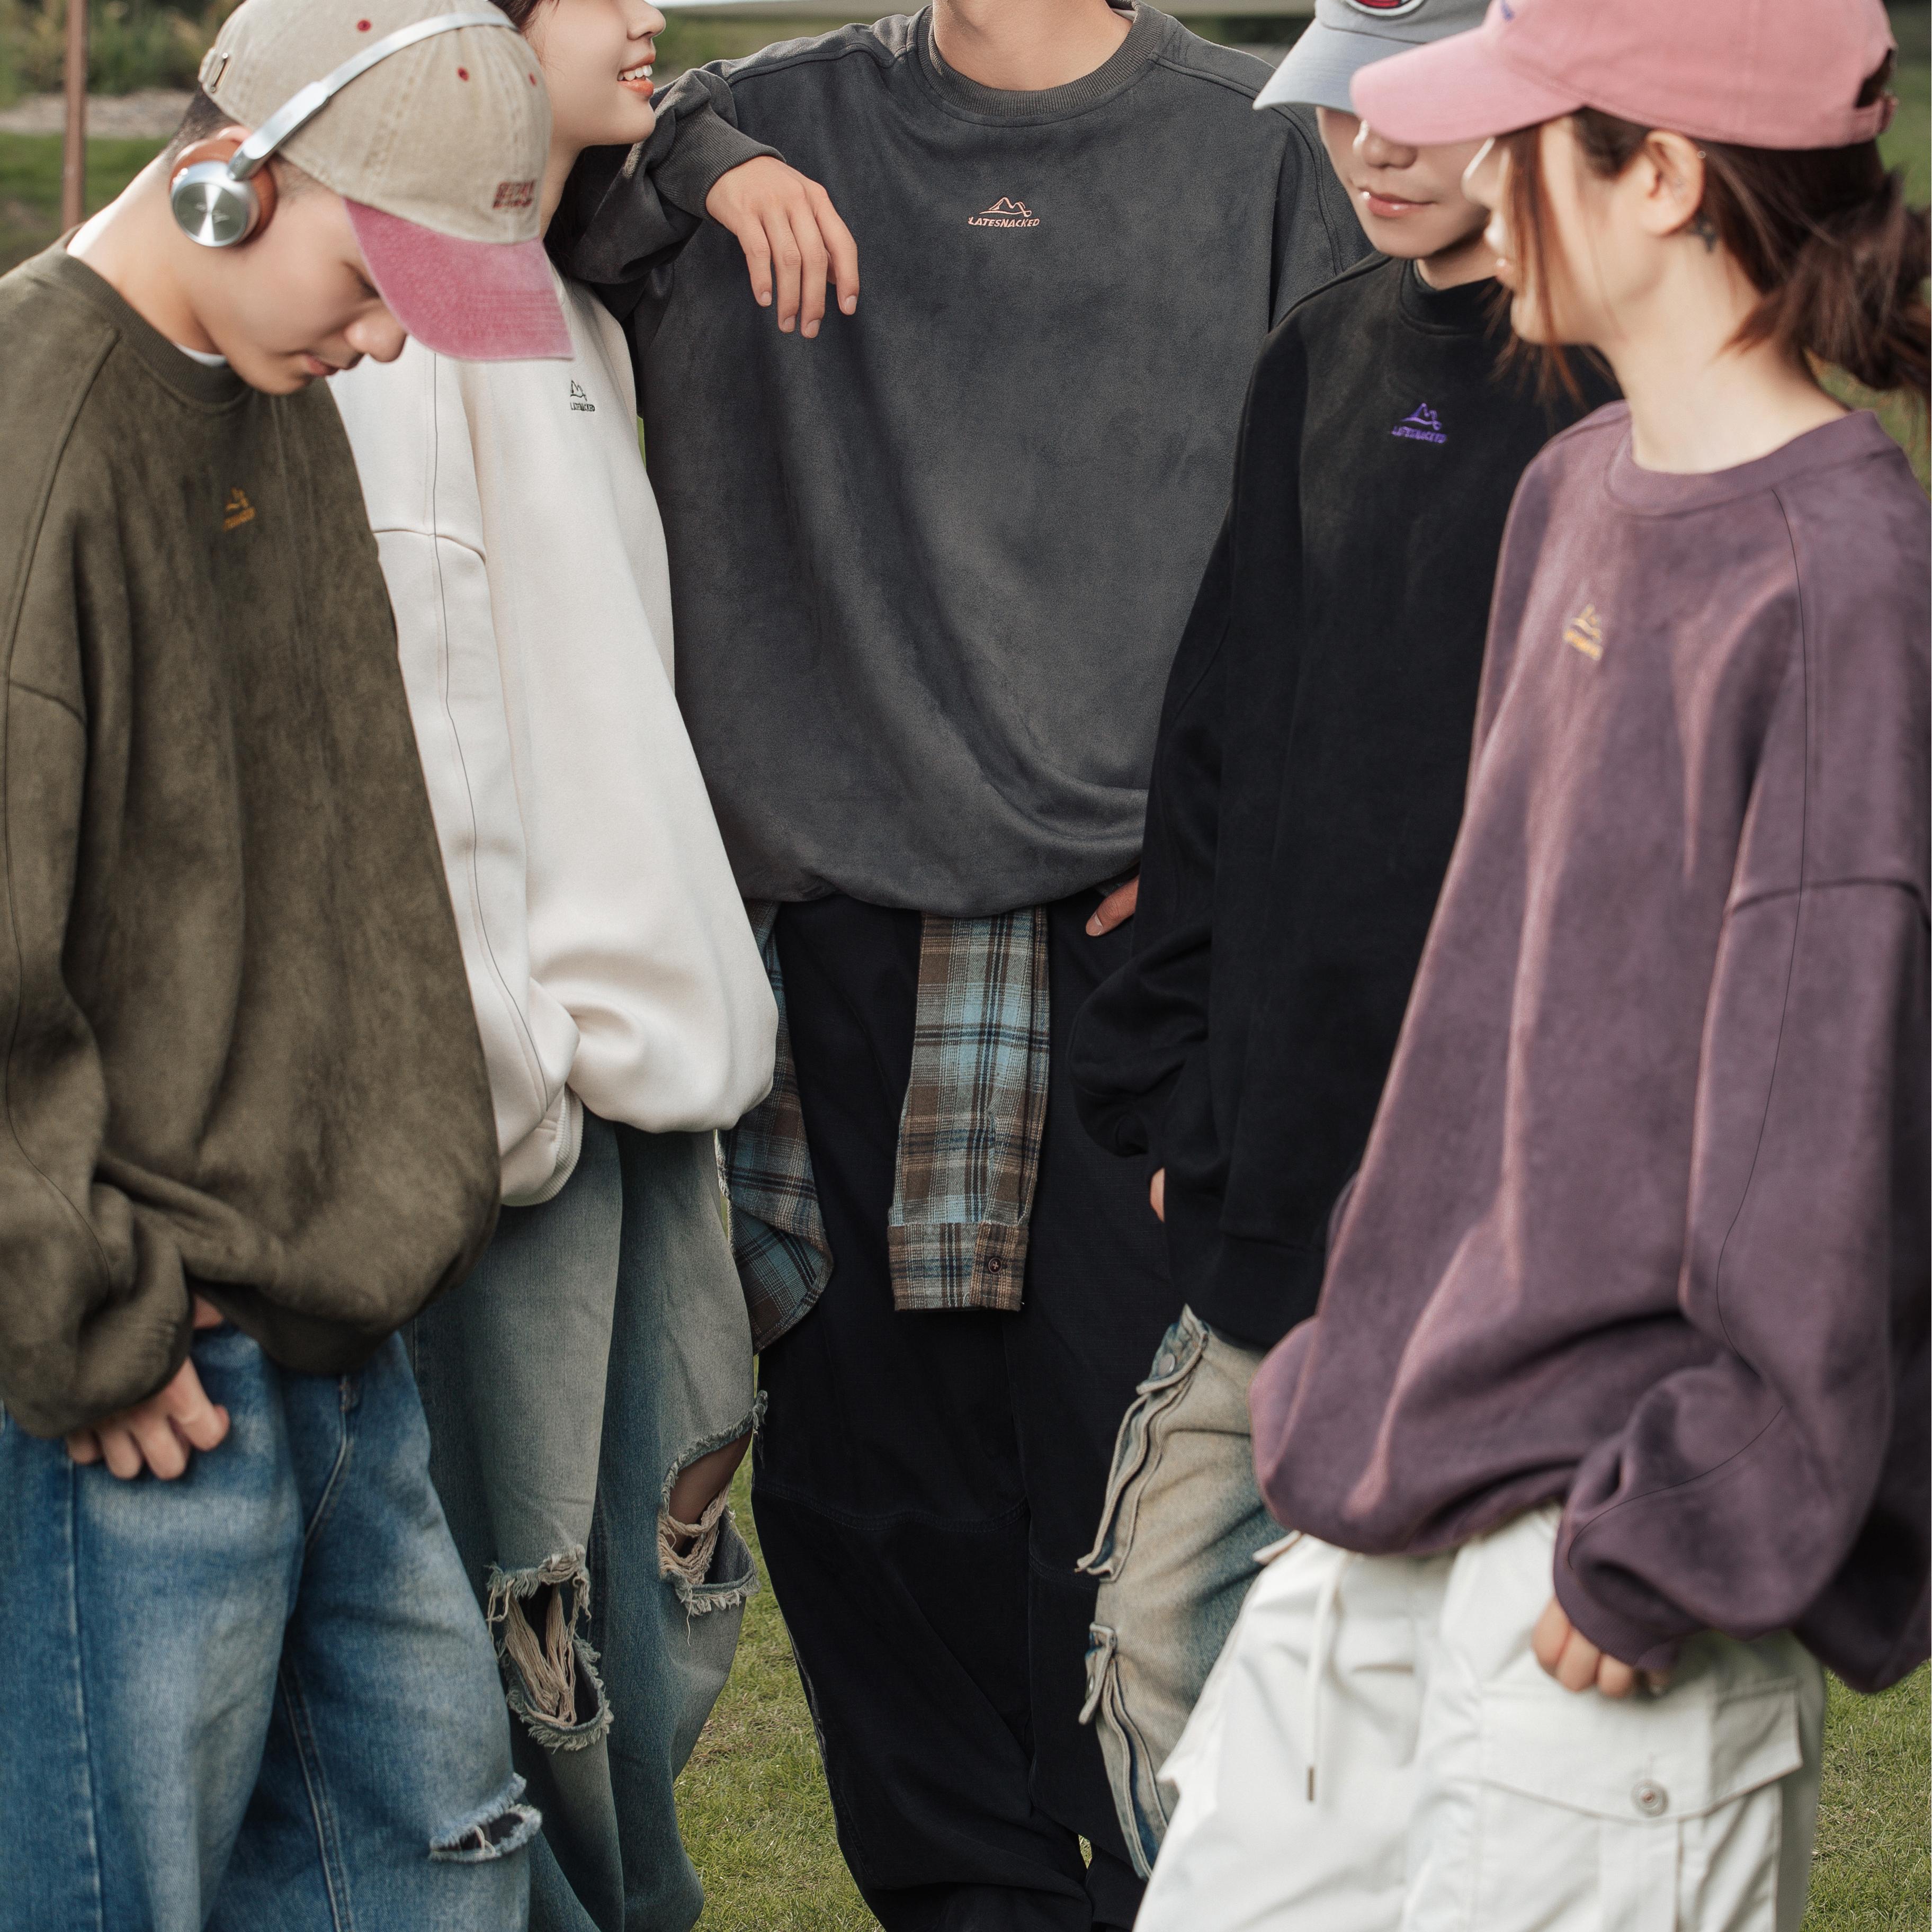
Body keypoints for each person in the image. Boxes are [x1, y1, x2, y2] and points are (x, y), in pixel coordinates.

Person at [548, 3, 1368, 1924]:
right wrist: (701, 161)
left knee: (1139, 1507)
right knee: (869, 1522)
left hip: (1132, 966)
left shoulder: (1257, 151)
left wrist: (1231, 854)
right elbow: (486, 179)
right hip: (830, 958)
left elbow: (1364, 526)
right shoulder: (754, 125)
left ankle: (1180, 1896)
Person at [1136, 0, 1930, 1925]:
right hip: (1393, 1465)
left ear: (1661, 178)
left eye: (1524, 137)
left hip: (1607, 1553)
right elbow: (1487, 1008)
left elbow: (1837, 1140)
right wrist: (1354, 1364)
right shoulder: (1574, 490)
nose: (1479, 184)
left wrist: (1685, 1527)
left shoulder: (1842, 586)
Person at [0, 2, 578, 1925]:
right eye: (377, 277)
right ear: (232, 177)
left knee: (442, 1877)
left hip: (338, 1341)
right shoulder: (34, 438)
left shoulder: (271, 392)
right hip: (144, 1392)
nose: (392, 338)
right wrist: (79, 1311)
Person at [1065, 0, 1618, 1879]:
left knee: (1436, 1705)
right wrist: (1174, 1090)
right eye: (1342, 109)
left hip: (1500, 1222)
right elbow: (1217, 752)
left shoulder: (1617, 394)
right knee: (1158, 1634)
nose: (1373, 149)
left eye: (1418, 108)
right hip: (1272, 1180)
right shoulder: (1320, 352)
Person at [330, 3, 853, 1926]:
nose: (651, 16)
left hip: (645, 1104)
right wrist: (516, 1083)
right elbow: (426, 743)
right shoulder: (392, 332)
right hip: (513, 1120)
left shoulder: (574, 315)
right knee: (523, 1633)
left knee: (657, 1602)